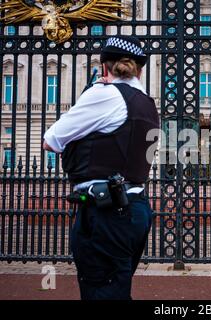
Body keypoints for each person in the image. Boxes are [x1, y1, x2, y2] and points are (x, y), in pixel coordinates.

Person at [43, 36, 160, 299]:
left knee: (100, 292)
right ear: (139, 69)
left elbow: (51, 140)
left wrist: (89, 94)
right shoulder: (147, 103)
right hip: (136, 208)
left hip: (105, 211)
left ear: (104, 67)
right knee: (116, 288)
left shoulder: (103, 95)